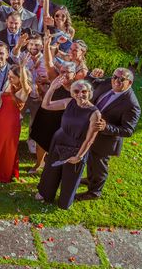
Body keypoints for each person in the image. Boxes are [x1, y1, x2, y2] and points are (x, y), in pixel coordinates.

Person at [36, 79, 102, 209]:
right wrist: (52, 88)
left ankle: (64, 201)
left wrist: (79, 156)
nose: (80, 94)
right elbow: (46, 105)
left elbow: (89, 139)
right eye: (76, 91)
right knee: (51, 170)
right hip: (59, 141)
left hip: (78, 146)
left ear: (90, 93)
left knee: (70, 175)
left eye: (84, 91)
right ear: (72, 93)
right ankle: (46, 194)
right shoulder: (69, 102)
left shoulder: (95, 113)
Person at [77, 67, 141, 201]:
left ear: (129, 83)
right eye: (115, 77)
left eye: (122, 79)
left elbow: (128, 130)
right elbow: (90, 85)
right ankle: (90, 179)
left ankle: (94, 192)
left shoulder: (131, 104)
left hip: (105, 141)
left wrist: (106, 127)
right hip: (91, 132)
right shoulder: (109, 82)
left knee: (100, 166)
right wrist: (92, 76)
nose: (116, 80)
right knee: (91, 159)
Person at [0, 64, 32, 183]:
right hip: (0, 118)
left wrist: (22, 68)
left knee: (6, 147)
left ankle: (3, 173)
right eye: (9, 76)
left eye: (12, 77)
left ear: (20, 77)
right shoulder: (9, 84)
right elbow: (2, 101)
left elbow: (24, 83)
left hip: (11, 123)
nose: (9, 78)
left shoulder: (24, 90)